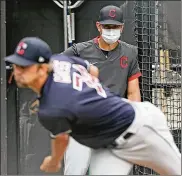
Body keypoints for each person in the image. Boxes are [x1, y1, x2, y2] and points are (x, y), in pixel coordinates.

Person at [5, 37, 181, 175]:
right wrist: (90, 93)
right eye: (16, 64)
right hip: (108, 146)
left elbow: (61, 140)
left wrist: (53, 161)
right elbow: (93, 70)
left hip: (139, 128)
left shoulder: (52, 107)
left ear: (42, 68)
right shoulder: (61, 61)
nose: (17, 71)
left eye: (24, 67)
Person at [61, 5, 141, 175]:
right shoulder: (79, 51)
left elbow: (133, 92)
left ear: (122, 27)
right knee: (75, 171)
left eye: (115, 26)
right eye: (107, 26)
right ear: (99, 26)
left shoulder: (130, 53)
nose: (111, 30)